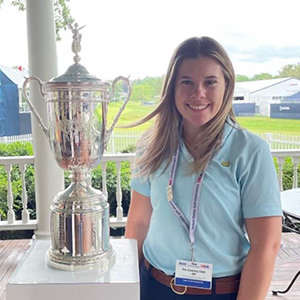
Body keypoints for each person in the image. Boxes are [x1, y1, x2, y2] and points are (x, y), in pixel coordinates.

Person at [125, 36, 282, 300]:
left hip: (221, 292)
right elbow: (139, 222)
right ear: (172, 88)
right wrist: (127, 287)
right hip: (154, 286)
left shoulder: (249, 151)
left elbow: (267, 245)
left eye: (210, 82)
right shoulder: (152, 146)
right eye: (186, 82)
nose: (198, 93)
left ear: (227, 87)